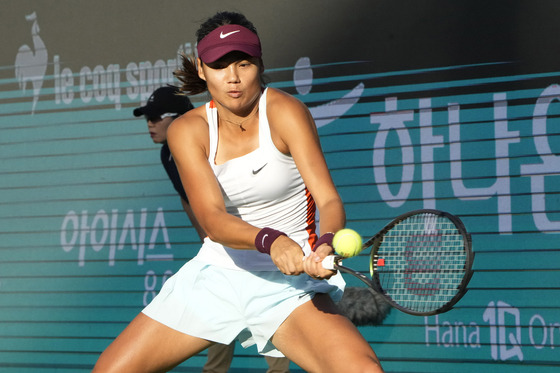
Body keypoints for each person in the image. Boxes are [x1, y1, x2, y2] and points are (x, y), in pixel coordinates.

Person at [93, 11, 383, 373]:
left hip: (290, 287)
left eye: (243, 64)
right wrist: (272, 242)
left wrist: (324, 242)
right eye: (219, 66)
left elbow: (328, 199)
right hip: (218, 274)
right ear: (201, 69)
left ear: (259, 65)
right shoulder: (187, 131)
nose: (232, 78)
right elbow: (213, 219)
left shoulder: (286, 112)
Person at [132, 85, 290, 372]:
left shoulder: (205, 140)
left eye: (156, 117)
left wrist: (246, 239)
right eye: (147, 118)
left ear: (180, 117)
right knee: (217, 314)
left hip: (258, 247)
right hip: (223, 253)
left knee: (268, 319)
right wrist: (209, 240)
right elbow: (189, 200)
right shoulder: (168, 154)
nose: (150, 124)